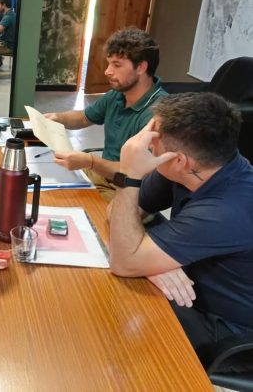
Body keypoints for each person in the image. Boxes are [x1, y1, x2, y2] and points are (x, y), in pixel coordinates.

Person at [109, 92, 253, 369]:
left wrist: (129, 174)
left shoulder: (227, 209)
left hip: (226, 329)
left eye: (153, 138)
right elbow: (115, 215)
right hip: (191, 288)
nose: (145, 144)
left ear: (179, 160)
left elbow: (123, 262)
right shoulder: (194, 168)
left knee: (114, 335)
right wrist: (156, 263)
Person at [44, 27, 167, 201]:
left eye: (117, 65)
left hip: (130, 191)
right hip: (103, 175)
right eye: (109, 63)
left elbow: (136, 173)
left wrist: (90, 162)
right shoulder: (117, 95)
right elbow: (84, 117)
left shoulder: (160, 113)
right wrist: (58, 118)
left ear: (141, 67)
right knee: (44, 183)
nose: (107, 71)